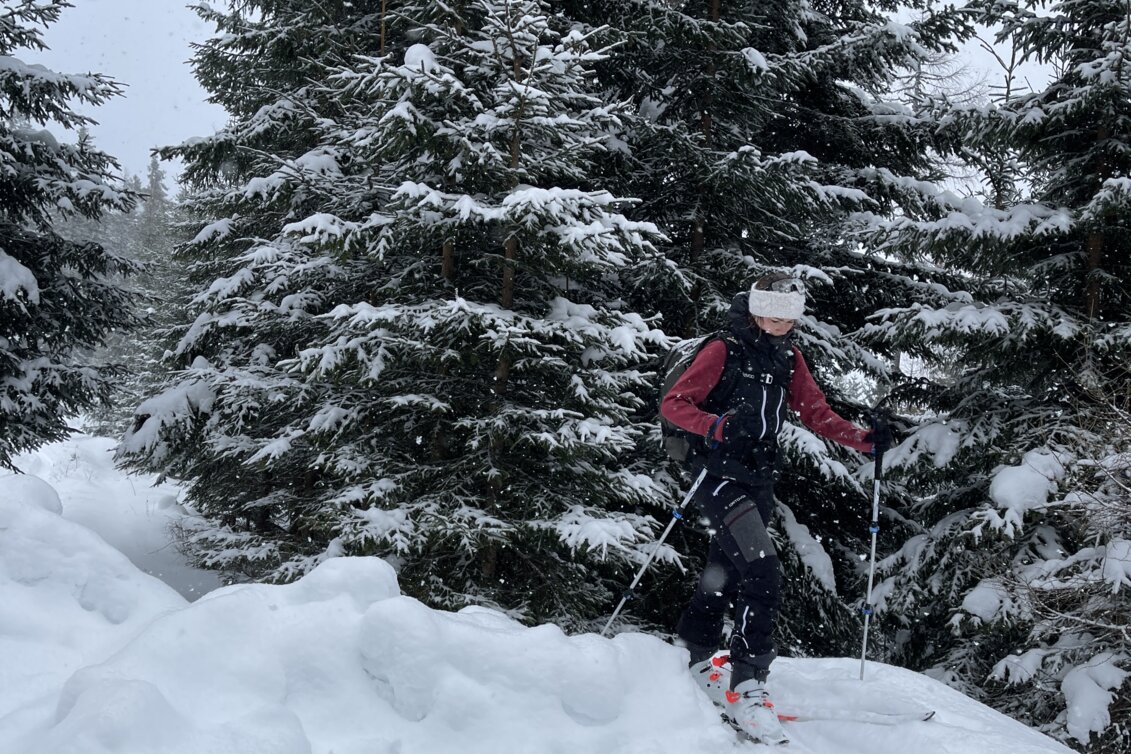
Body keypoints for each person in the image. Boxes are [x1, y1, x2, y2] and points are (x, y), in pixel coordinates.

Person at [659, 271, 891, 741]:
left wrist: (864, 441)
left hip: (758, 477)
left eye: (788, 314)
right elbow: (675, 404)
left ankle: (694, 649)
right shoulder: (723, 348)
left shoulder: (789, 356)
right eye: (769, 311)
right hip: (717, 473)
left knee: (725, 566)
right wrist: (718, 426)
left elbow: (815, 412)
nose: (778, 321)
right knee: (763, 569)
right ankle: (749, 685)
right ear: (753, 306)